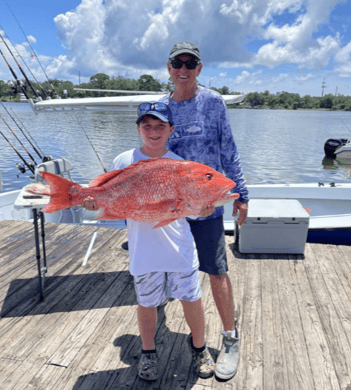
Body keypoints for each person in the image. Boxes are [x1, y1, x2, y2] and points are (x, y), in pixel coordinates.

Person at [82, 102, 215, 381]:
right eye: (147, 125)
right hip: (143, 250)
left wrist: (204, 207)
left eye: (160, 126)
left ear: (171, 129)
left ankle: (200, 349)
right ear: (138, 128)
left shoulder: (183, 164)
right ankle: (148, 352)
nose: (153, 131)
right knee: (147, 302)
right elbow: (106, 194)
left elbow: (186, 206)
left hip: (179, 248)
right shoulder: (123, 160)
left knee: (191, 298)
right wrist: (93, 202)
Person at [159, 41, 249, 380]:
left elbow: (229, 149)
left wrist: (241, 193)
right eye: (177, 63)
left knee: (216, 270)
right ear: (168, 68)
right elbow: (152, 157)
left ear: (199, 68)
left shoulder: (212, 102)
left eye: (190, 63)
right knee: (166, 267)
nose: (183, 69)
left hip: (208, 205)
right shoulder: (161, 108)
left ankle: (230, 337)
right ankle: (159, 328)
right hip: (173, 206)